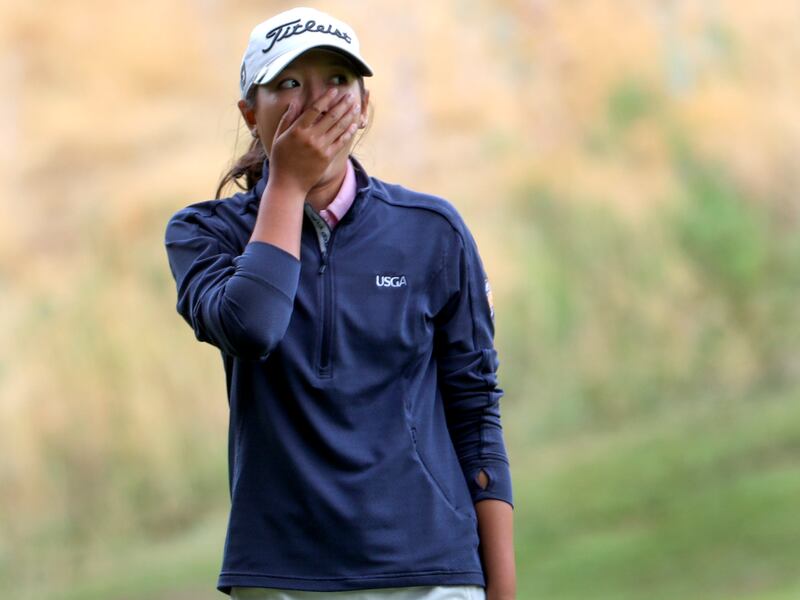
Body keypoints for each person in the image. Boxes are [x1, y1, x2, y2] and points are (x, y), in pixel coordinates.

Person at [163, 7, 516, 600]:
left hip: (431, 574)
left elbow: (476, 413)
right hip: (282, 577)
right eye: (289, 83)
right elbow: (251, 326)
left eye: (337, 80)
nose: (318, 102)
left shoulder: (432, 231)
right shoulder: (204, 233)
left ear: (364, 104)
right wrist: (287, 183)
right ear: (250, 113)